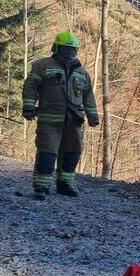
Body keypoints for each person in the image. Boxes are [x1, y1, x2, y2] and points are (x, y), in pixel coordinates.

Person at [22, 31, 99, 200]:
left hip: (74, 121)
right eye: (66, 49)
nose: (70, 52)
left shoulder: (82, 73)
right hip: (49, 120)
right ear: (56, 48)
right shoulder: (43, 66)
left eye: (73, 50)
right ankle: (41, 186)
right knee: (47, 153)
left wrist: (93, 116)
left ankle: (65, 185)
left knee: (72, 153)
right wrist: (28, 107)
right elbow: (31, 86)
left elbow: (88, 96)